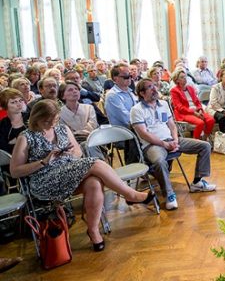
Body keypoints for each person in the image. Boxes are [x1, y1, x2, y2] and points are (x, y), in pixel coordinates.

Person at [10, 100, 153, 252]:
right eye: (47, 121)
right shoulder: (26, 137)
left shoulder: (62, 128)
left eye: (55, 120)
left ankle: (93, 230)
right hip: (45, 181)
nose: (52, 124)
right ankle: (129, 194)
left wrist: (69, 152)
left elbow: (78, 152)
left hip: (69, 172)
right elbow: (15, 171)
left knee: (94, 183)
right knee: (95, 163)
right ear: (36, 118)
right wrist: (44, 162)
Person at [131, 79, 216, 210]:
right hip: (152, 145)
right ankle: (169, 194)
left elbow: (172, 125)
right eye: (149, 87)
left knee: (204, 146)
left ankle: (197, 182)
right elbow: (143, 134)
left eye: (154, 85)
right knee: (159, 161)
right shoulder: (136, 110)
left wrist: (175, 140)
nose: (154, 89)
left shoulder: (163, 104)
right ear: (142, 93)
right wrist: (164, 144)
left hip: (172, 140)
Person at [170, 70, 215, 140]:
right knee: (200, 123)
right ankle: (195, 142)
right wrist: (194, 113)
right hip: (184, 113)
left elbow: (197, 102)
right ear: (177, 80)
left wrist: (200, 109)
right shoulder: (174, 91)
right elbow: (179, 107)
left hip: (196, 111)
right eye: (182, 77)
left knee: (211, 120)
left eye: (185, 77)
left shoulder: (190, 88)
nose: (185, 78)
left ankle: (204, 138)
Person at [207, 68, 225, 133]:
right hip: (214, 109)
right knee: (223, 118)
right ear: (221, 77)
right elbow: (213, 103)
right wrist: (224, 112)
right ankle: (223, 137)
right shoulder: (215, 87)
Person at [0, 89, 27, 156]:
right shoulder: (3, 124)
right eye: (13, 102)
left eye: (20, 100)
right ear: (5, 106)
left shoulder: (31, 117)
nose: (19, 104)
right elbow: (3, 150)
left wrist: (16, 142)